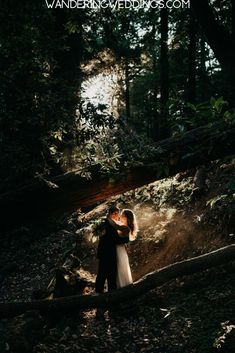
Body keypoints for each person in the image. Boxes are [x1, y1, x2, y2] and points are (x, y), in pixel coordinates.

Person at [95, 205, 129, 294]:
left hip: (108, 252)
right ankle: (101, 294)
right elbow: (115, 240)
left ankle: (108, 294)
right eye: (115, 213)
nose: (117, 215)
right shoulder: (106, 223)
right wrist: (126, 238)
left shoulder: (111, 223)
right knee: (106, 274)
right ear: (110, 213)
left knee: (107, 274)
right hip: (107, 253)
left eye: (117, 213)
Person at [109, 209, 138, 288]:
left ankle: (122, 287)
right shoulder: (120, 224)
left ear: (127, 218)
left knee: (120, 267)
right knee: (117, 267)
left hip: (119, 250)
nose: (120, 216)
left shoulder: (125, 228)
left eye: (123, 215)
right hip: (117, 249)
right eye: (121, 214)